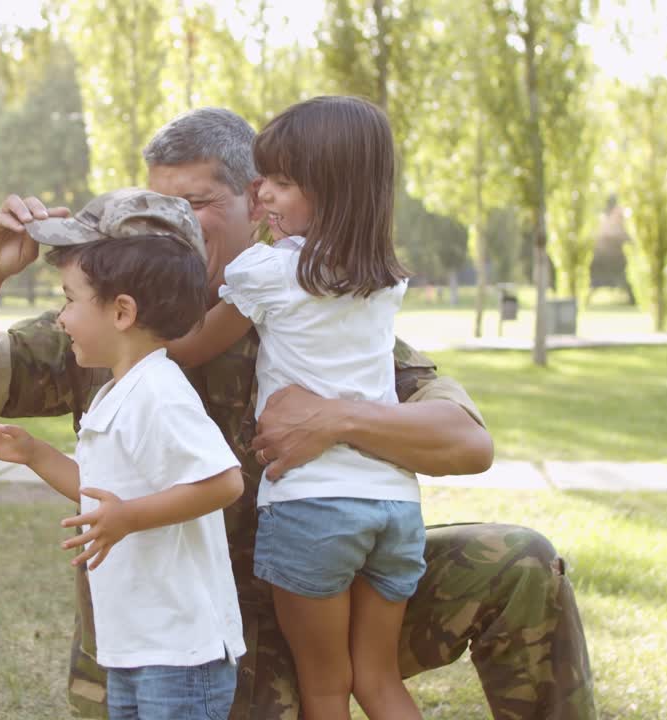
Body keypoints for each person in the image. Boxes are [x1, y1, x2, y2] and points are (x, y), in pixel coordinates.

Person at [0, 107, 597, 720]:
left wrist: (336, 418)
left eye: (195, 201)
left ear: (255, 200)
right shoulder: (111, 320)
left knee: (519, 563)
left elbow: (466, 444)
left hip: (317, 592)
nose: (174, 218)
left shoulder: (313, 310)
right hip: (180, 637)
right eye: (157, 200)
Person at [167, 96, 421, 720]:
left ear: (331, 190)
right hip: (395, 506)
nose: (266, 198)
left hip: (312, 510)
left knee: (326, 688)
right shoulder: (383, 278)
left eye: (282, 183)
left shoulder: (272, 273)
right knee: (379, 683)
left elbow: (193, 346)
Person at [0, 191, 246, 719]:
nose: (61, 317)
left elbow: (225, 482)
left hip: (181, 652)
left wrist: (127, 518)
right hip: (137, 642)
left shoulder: (161, 392)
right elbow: (99, 490)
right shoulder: (117, 391)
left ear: (121, 311)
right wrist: (33, 452)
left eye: (69, 300)